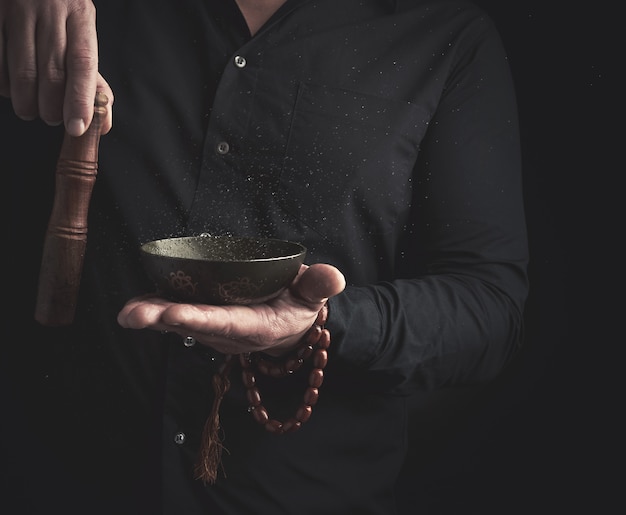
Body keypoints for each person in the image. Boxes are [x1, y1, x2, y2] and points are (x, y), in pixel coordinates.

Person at [1, 0, 529, 513]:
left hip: (299, 494)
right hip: (56, 479)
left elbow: (488, 306)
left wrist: (320, 323)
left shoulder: (447, 32)